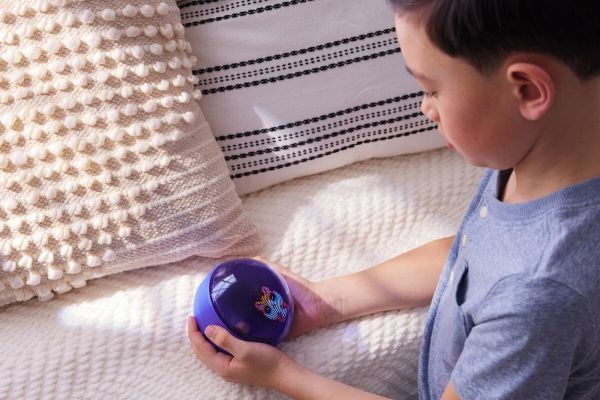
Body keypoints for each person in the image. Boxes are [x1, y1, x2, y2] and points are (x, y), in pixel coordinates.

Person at [187, 0, 600, 398]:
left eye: (432, 89)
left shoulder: (538, 294)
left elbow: (512, 282)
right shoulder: (544, 152)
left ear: (527, 90)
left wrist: (281, 375)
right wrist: (328, 301)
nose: (425, 109)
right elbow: (477, 253)